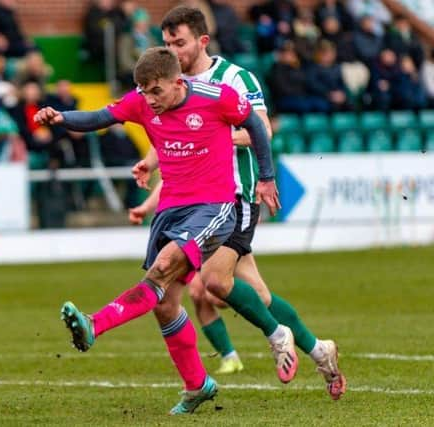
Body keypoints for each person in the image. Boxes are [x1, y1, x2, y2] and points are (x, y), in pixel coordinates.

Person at [35, 46, 297, 414]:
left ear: (178, 82)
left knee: (162, 270)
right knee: (166, 305)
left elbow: (256, 125)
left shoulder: (217, 97)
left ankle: (96, 323)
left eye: (156, 91)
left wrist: (267, 178)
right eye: (142, 91)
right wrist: (61, 117)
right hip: (171, 208)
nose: (149, 99)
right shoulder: (142, 101)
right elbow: (99, 117)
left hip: (214, 207)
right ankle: (197, 385)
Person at [128, 5, 346, 400]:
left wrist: (218, 137)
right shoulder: (172, 85)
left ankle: (274, 338)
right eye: (167, 43)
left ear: (202, 41)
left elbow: (261, 128)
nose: (172, 50)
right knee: (254, 294)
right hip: (198, 203)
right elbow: (174, 136)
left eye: (179, 43)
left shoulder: (235, 78)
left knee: (209, 285)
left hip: (236, 197)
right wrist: (151, 161)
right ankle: (319, 350)